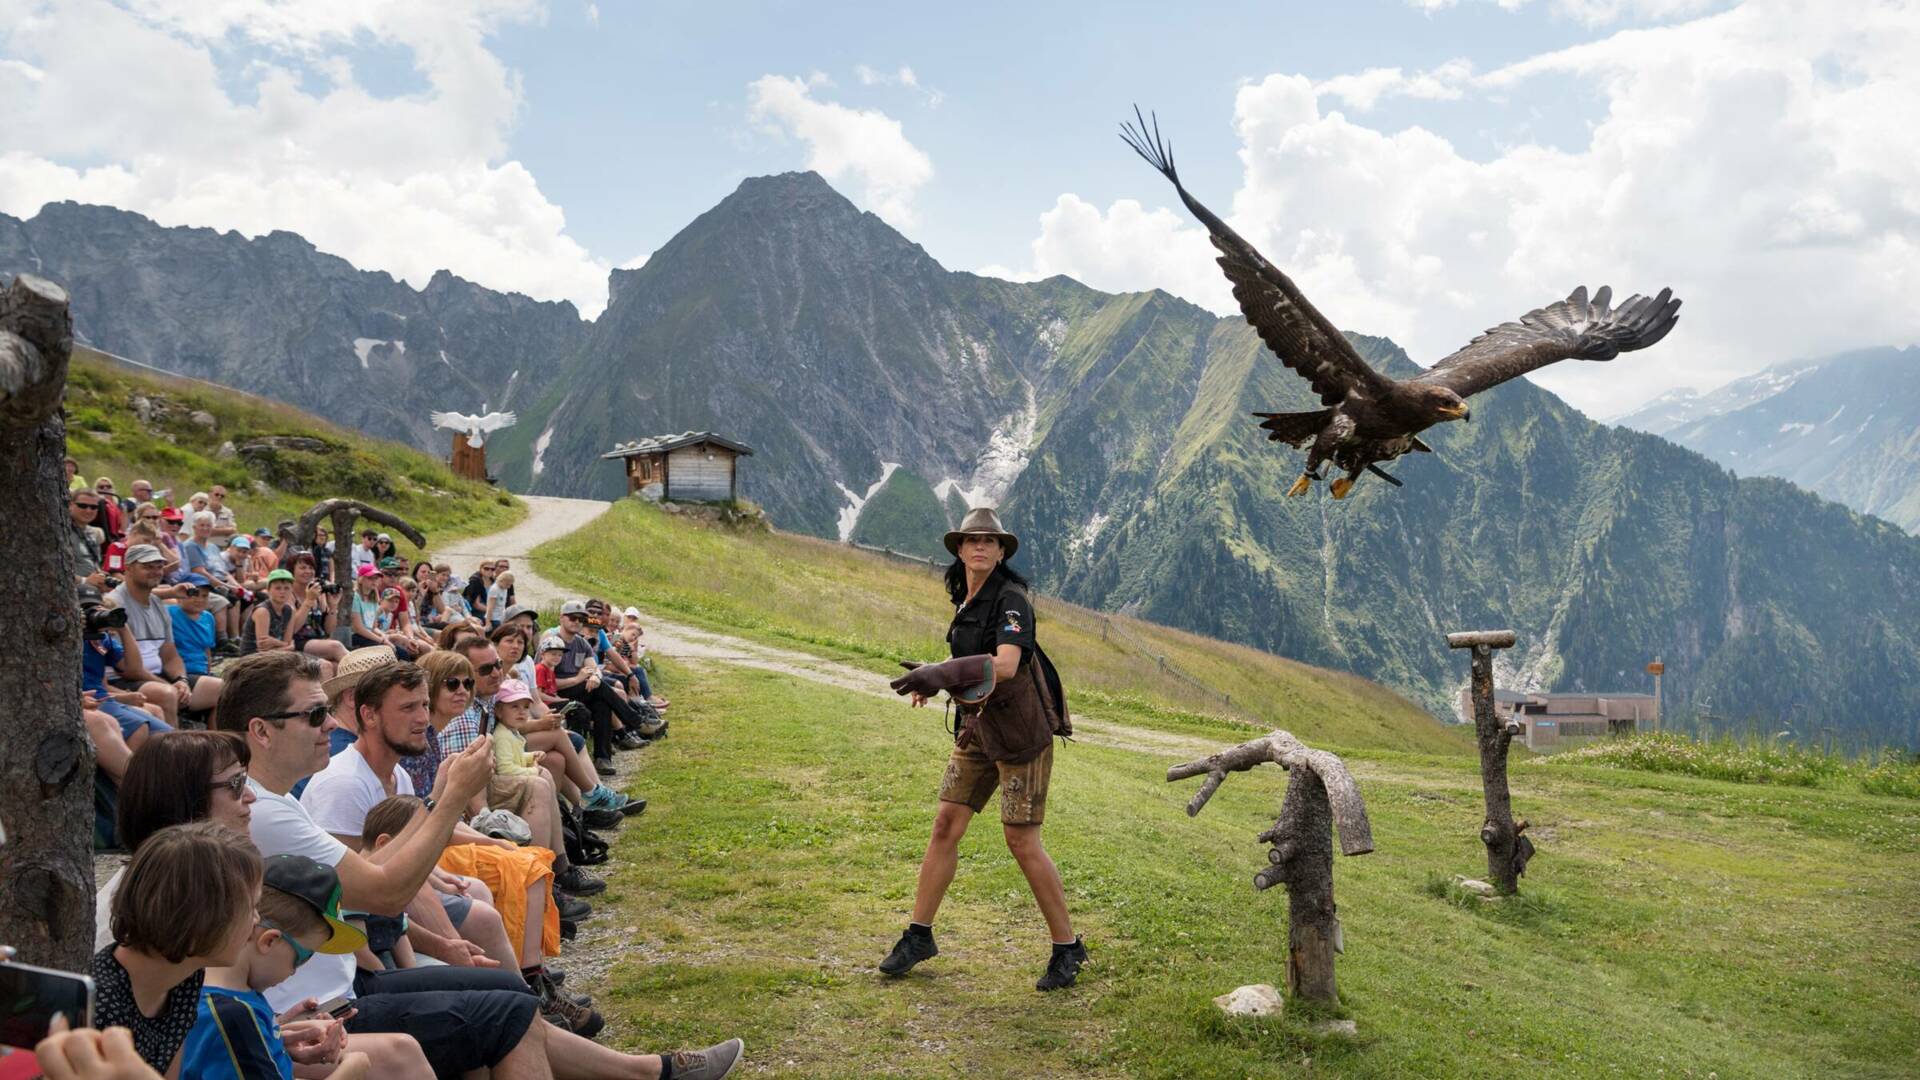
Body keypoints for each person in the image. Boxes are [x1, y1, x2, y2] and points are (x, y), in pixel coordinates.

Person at [215, 652, 746, 1078]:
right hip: (321, 1007)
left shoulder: (276, 801)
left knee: (510, 994)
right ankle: (648, 1072)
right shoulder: (269, 808)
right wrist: (448, 800)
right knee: (506, 1008)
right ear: (261, 731)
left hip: (342, 984)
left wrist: (441, 811)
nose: (330, 723)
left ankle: (646, 1070)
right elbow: (378, 890)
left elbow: (369, 878)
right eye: (313, 715)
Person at [878, 507, 1085, 991]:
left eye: (990, 542)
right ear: (959, 548)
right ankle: (919, 935)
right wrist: (936, 678)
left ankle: (1067, 947)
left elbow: (1007, 665)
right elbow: (970, 665)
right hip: (979, 730)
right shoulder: (967, 599)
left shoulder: (1012, 602)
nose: (980, 547)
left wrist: (941, 672)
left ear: (1001, 551)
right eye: (972, 539)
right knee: (945, 824)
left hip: (1020, 738)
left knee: (1020, 840)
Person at [177, 854, 387, 1080]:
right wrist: (351, 1070)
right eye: (301, 958)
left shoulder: (198, 988)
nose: (295, 971)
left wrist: (274, 1034)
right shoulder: (234, 1014)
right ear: (269, 941)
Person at [91, 822, 263, 1074]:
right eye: (251, 907)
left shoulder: (185, 977)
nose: (257, 919)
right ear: (200, 916)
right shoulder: (98, 1007)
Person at [109, 546, 222, 727]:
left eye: (159, 566)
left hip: (156, 676)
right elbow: (127, 669)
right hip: (124, 681)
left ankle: (217, 745)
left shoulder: (156, 603)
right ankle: (173, 751)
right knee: (167, 693)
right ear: (128, 568)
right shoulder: (114, 604)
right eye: (148, 566)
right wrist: (169, 685)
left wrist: (181, 680)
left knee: (223, 688)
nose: (156, 572)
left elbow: (170, 654)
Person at [167, 575, 218, 681]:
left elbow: (207, 649)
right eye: (194, 594)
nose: (199, 599)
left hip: (202, 671)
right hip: (180, 673)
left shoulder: (208, 617)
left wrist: (208, 671)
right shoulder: (168, 613)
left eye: (204, 596)